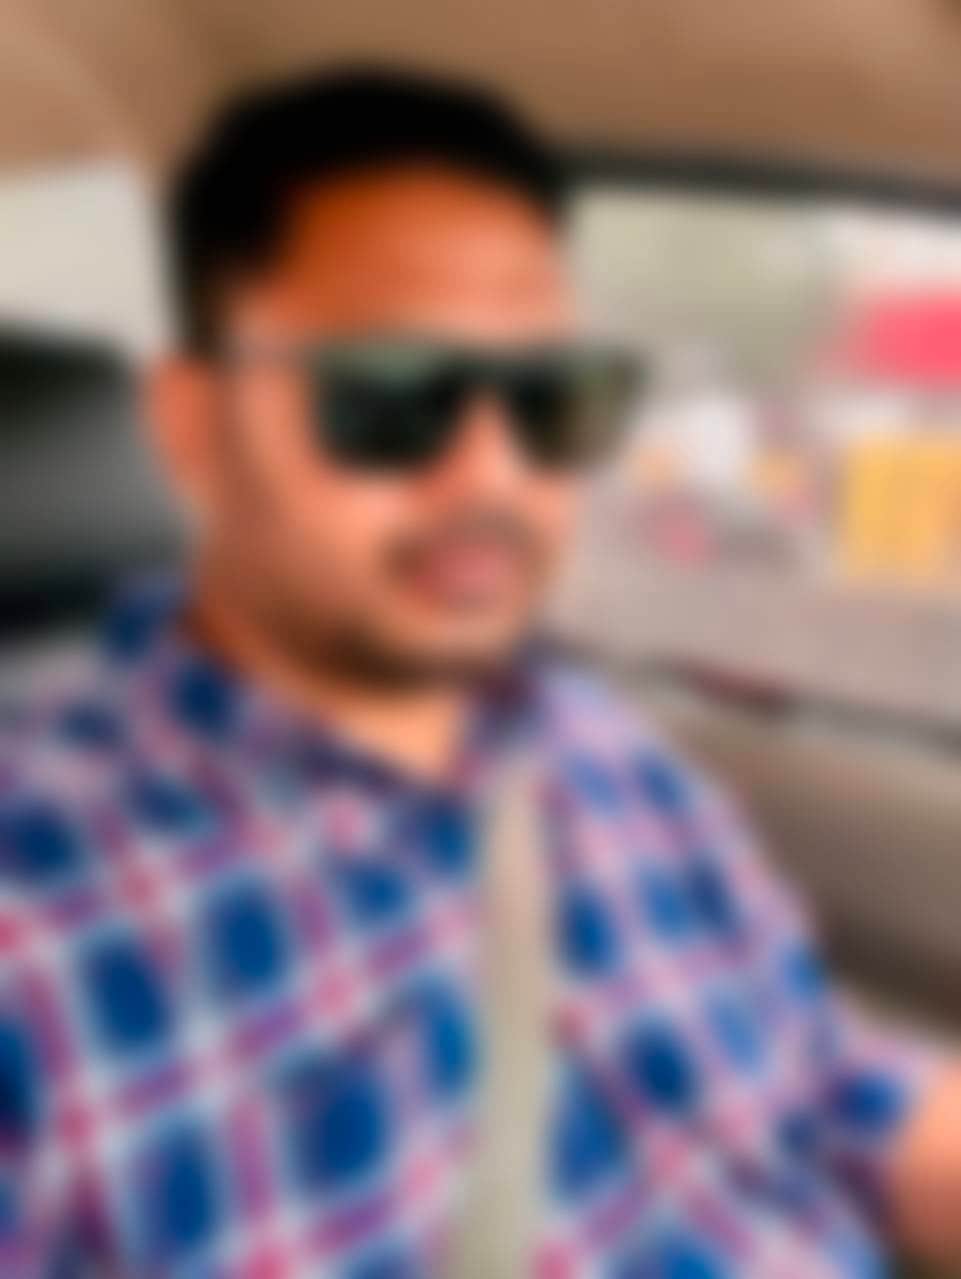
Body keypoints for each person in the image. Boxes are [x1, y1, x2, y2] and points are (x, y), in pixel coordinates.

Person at [0, 68, 959, 1279]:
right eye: (389, 394)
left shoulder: (605, 746)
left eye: (553, 397)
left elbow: (833, 1093)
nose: (492, 477)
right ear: (192, 423)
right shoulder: (38, 918)